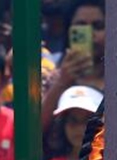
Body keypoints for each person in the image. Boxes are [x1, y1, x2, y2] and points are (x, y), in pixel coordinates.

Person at [42, 0, 105, 132]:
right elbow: (33, 133)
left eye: (98, 26)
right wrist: (62, 82)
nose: (91, 34)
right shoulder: (53, 79)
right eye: (81, 27)